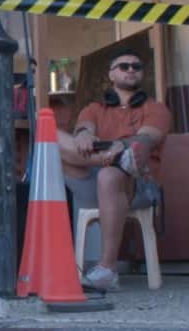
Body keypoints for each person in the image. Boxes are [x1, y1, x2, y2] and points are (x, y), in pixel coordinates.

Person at [57, 48, 170, 291]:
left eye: (136, 66)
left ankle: (107, 270)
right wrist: (85, 135)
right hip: (92, 176)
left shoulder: (156, 108)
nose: (131, 69)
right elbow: (83, 127)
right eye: (124, 66)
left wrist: (125, 145)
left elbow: (148, 138)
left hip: (137, 183)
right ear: (111, 74)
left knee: (113, 171)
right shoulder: (94, 109)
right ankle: (109, 160)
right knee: (52, 136)